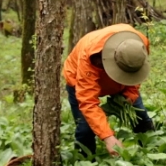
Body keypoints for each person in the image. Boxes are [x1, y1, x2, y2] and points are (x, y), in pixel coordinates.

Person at [63, 24, 154, 157]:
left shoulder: (139, 43)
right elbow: (88, 102)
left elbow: (136, 70)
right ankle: (85, 163)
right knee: (85, 130)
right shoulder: (89, 57)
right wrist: (108, 138)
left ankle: (152, 151)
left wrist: (130, 94)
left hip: (118, 84)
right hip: (80, 80)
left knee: (141, 117)